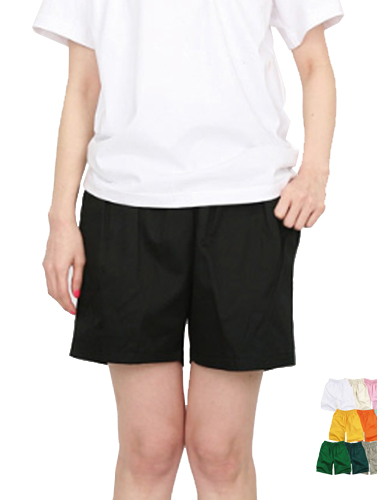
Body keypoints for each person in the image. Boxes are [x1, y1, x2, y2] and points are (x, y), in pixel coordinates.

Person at [33, 1, 344, 498]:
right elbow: (82, 84)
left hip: (245, 204)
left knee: (220, 452)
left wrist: (315, 172)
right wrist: (60, 219)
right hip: (126, 203)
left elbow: (314, 63)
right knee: (148, 449)